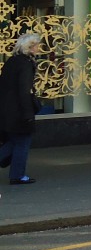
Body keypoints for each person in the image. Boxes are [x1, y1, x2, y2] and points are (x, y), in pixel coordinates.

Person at [0, 32, 43, 185]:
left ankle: (17, 174)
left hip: (7, 110)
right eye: (37, 45)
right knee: (22, 142)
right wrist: (28, 114)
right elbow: (25, 90)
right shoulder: (26, 64)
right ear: (30, 47)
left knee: (14, 141)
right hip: (19, 111)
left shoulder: (11, 61)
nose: (39, 48)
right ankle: (18, 175)